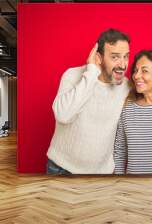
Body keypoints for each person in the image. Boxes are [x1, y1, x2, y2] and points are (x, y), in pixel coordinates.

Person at [46, 28, 130, 174]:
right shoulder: (72, 75)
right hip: (61, 168)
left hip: (102, 172)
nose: (123, 65)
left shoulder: (127, 86)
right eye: (115, 57)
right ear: (98, 58)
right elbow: (63, 115)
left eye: (126, 56)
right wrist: (91, 73)